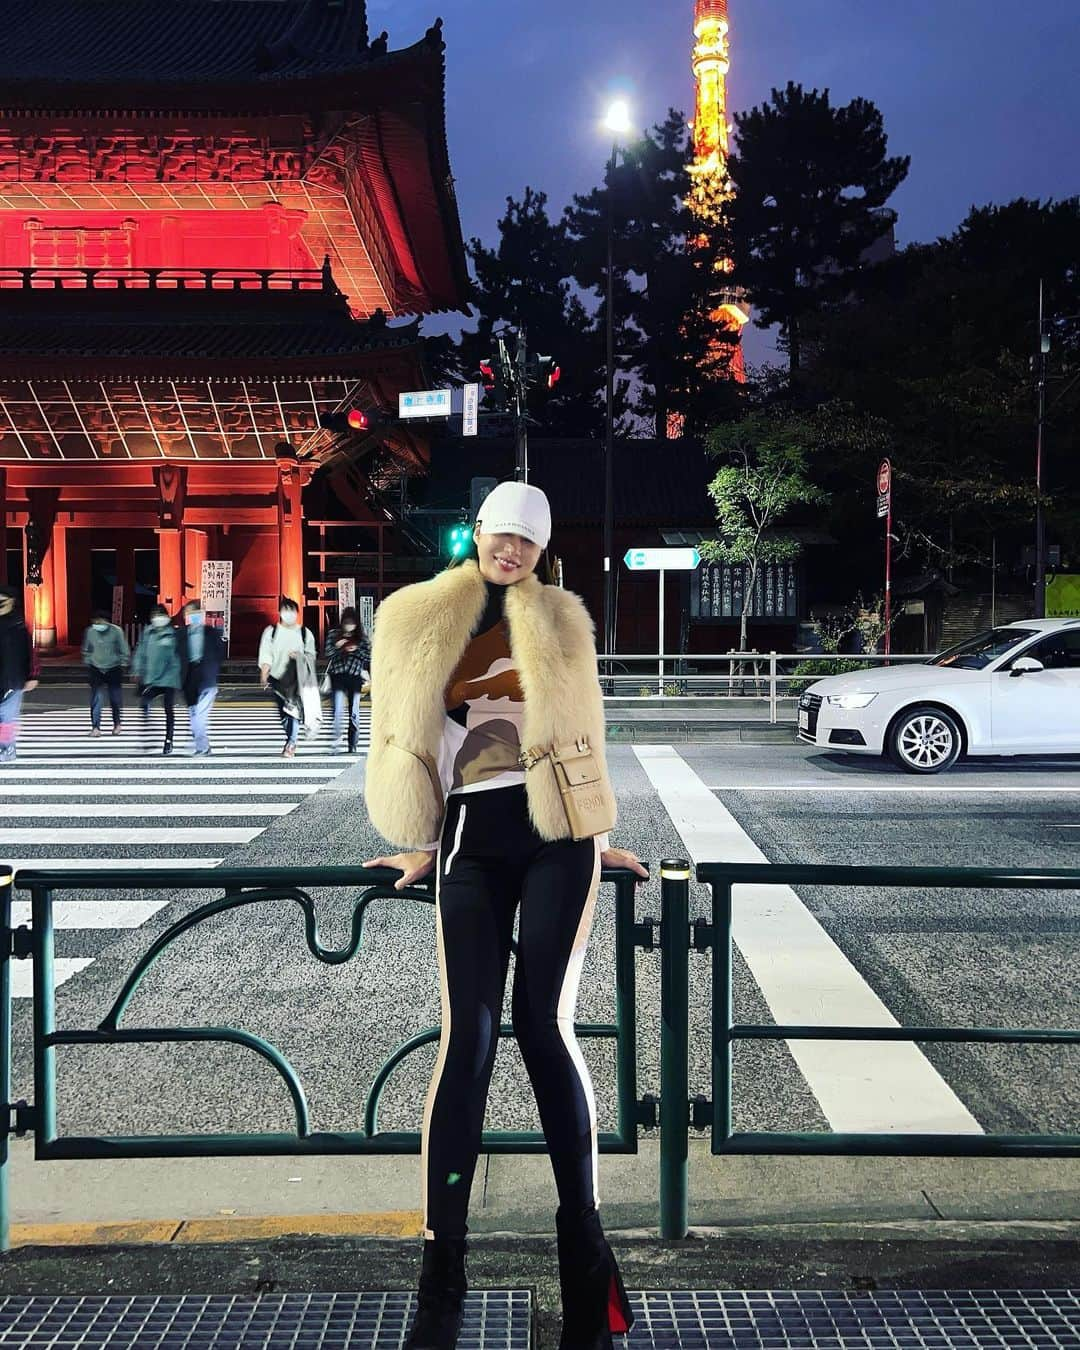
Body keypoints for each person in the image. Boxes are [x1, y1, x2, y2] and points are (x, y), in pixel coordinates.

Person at [362, 481, 647, 1350]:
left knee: (545, 1028)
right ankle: (441, 1274)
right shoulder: (413, 616)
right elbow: (399, 734)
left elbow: (584, 735)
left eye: (528, 540)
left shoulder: (561, 618)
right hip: (470, 841)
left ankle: (587, 1266)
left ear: (542, 548)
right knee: (471, 1039)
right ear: (475, 532)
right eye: (499, 534)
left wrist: (596, 836)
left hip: (557, 838)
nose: (510, 550)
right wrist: (418, 840)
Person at [258, 596, 317, 757]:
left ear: (297, 613)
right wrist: (264, 672)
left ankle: (291, 743)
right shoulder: (271, 632)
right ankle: (291, 737)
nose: (289, 614)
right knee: (284, 714)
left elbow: (311, 655)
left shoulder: (305, 633)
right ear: (280, 612)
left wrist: (300, 656)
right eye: (286, 610)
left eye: (292, 611)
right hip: (277, 678)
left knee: (293, 710)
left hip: (297, 678)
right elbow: (266, 654)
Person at [132, 604, 181, 755]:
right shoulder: (148, 633)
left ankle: (168, 740)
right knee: (144, 702)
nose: (157, 618)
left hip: (169, 679)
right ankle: (149, 732)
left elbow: (176, 658)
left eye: (160, 615)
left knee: (168, 710)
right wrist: (136, 669)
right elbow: (141, 652)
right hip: (152, 678)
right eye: (154, 615)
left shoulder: (173, 634)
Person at [179, 599, 225, 756]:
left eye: (195, 613)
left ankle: (202, 747)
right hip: (189, 678)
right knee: (193, 714)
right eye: (189, 613)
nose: (191, 616)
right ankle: (202, 744)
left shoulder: (211, 633)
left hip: (207, 678)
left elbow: (221, 653)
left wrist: (211, 667)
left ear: (201, 614)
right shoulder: (181, 634)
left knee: (199, 716)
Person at [0, 584, 39, 765]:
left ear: (12, 602)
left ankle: (7, 746)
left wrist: (32, 675)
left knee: (6, 715)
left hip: (13, 678)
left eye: (3, 600)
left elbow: (30, 653)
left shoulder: (19, 625)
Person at [324, 606, 370, 754]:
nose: (349, 626)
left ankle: (352, 743)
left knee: (354, 713)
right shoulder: (333, 635)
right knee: (337, 710)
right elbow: (327, 653)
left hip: (355, 677)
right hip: (337, 676)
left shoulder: (361, 638)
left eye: (352, 623)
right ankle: (336, 742)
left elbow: (369, 656)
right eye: (346, 622)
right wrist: (339, 647)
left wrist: (355, 649)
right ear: (342, 622)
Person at [81, 609, 129, 736]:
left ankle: (117, 724)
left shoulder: (116, 631)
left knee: (115, 698)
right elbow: (86, 649)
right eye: (95, 621)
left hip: (114, 667)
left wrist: (123, 663)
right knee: (96, 698)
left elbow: (124, 649)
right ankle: (95, 727)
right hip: (96, 668)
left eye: (100, 621)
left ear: (106, 621)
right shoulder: (90, 631)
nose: (97, 623)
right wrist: (89, 660)